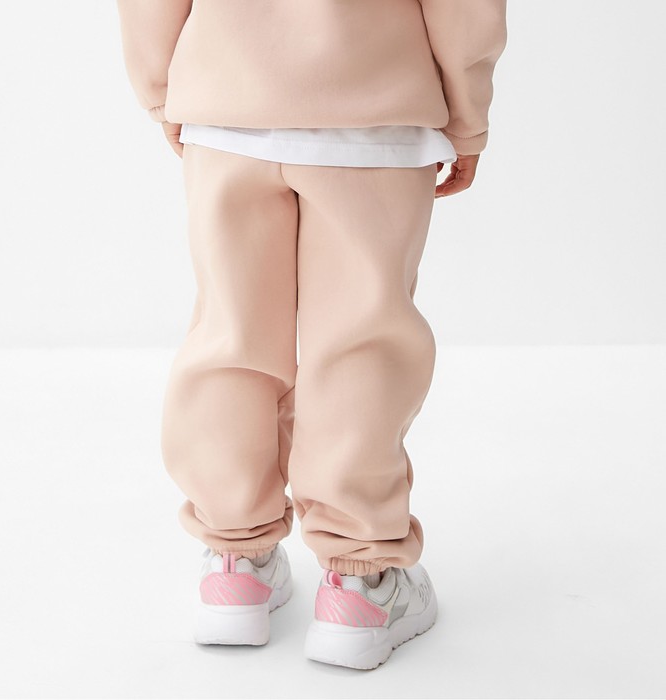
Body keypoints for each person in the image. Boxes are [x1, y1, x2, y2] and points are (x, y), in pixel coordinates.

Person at [116, 0, 507, 670]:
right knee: (360, 345)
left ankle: (235, 566)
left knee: (232, 337)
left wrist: (163, 88)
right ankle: (359, 583)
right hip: (374, 104)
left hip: (226, 102)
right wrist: (467, 115)